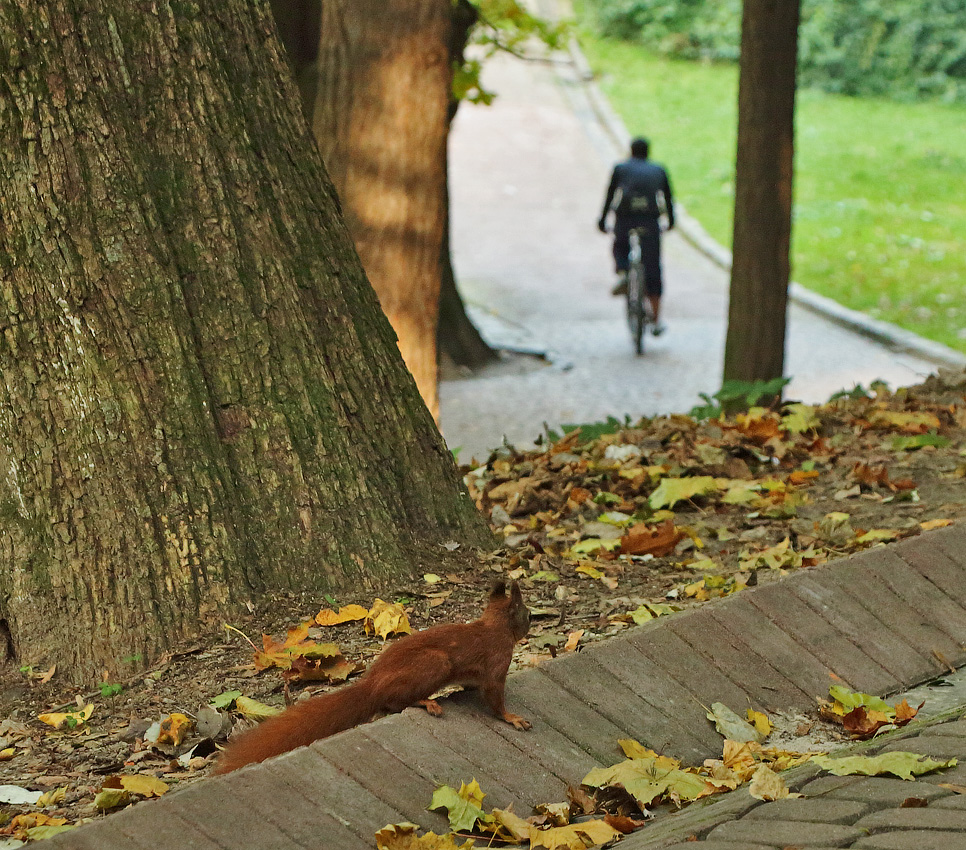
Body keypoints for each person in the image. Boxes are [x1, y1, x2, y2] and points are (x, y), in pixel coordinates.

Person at [598, 137, 674, 335]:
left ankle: (623, 272)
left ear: (631, 151)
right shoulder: (658, 169)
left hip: (626, 218)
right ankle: (656, 319)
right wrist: (671, 221)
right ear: (648, 152)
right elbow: (667, 198)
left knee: (620, 245)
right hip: (650, 219)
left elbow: (611, 194)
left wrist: (603, 219)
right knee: (653, 267)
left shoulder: (621, 168)